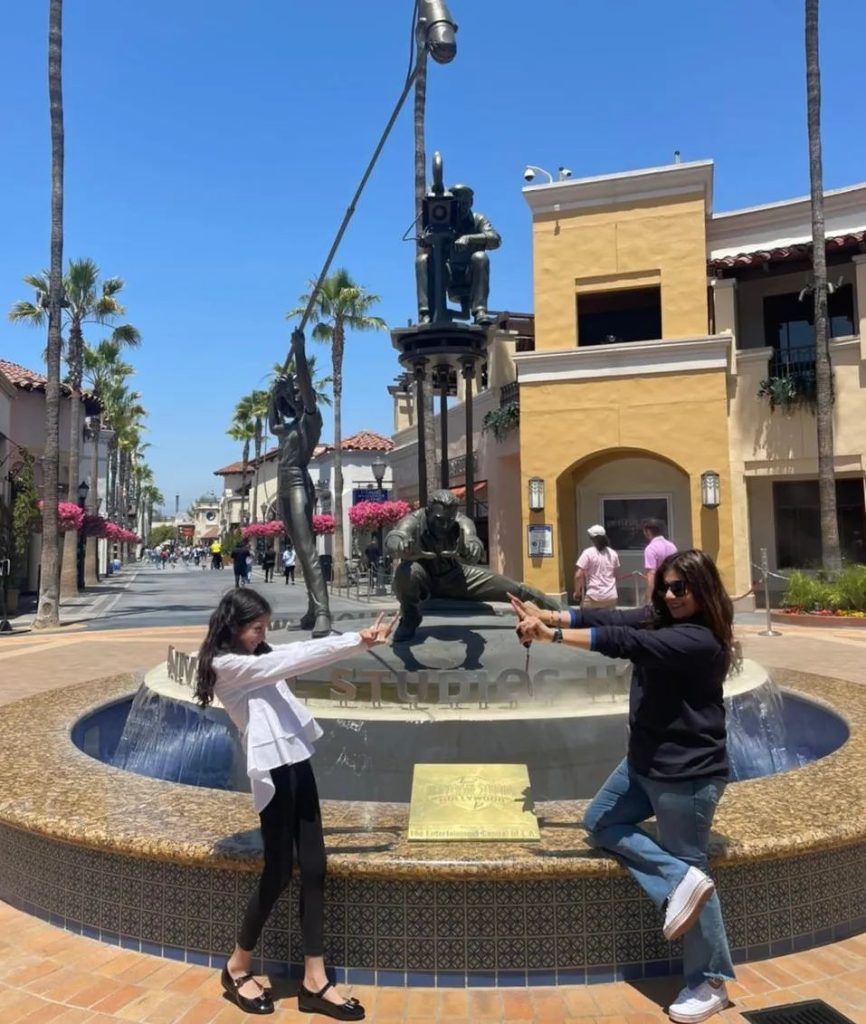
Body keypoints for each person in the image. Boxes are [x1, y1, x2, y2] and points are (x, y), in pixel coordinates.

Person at [512, 549, 736, 1023]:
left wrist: (551, 635)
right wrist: (549, 611)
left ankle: (710, 981)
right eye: (667, 586)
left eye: (682, 587)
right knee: (600, 822)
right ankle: (679, 880)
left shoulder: (698, 641)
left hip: (687, 774)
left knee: (693, 865)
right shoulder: (661, 617)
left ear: (704, 589)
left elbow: (621, 641)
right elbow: (613, 617)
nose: (672, 595)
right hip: (643, 763)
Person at [195, 589, 397, 1017]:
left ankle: (314, 979)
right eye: (256, 628)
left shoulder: (255, 656)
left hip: (297, 762)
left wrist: (379, 839)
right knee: (279, 871)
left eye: (265, 628)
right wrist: (355, 641)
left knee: (315, 868)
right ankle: (237, 965)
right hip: (271, 770)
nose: (262, 636)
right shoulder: (228, 665)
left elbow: (292, 653)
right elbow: (289, 661)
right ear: (233, 627)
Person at [385, 489, 558, 642]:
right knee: (405, 572)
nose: (445, 526)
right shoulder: (413, 520)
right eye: (439, 520)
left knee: (516, 590)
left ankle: (562, 615)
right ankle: (409, 617)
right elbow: (396, 536)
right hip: (423, 579)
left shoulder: (462, 521)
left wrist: (474, 548)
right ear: (428, 512)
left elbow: (471, 538)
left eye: (449, 520)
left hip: (457, 577)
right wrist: (399, 546)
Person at [574, 525, 620, 608]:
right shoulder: (613, 553)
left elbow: (578, 575)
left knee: (587, 620)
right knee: (609, 620)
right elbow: (616, 575)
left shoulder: (588, 553)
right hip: (611, 596)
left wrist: (577, 593)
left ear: (592, 539)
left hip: (593, 596)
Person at [643, 518, 677, 603]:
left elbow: (651, 573)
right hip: (673, 586)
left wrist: (648, 595)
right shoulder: (672, 546)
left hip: (659, 588)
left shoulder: (650, 549)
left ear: (648, 531)